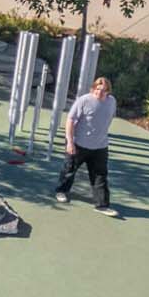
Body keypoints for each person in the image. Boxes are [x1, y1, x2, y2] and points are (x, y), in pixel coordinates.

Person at [56, 75, 118, 217]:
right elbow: (70, 120)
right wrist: (70, 142)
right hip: (79, 144)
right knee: (69, 169)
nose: (99, 92)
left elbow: (107, 118)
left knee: (100, 175)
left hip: (100, 146)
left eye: (103, 90)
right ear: (93, 89)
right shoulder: (84, 100)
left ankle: (101, 205)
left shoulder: (112, 102)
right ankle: (61, 191)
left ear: (108, 91)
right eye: (97, 89)